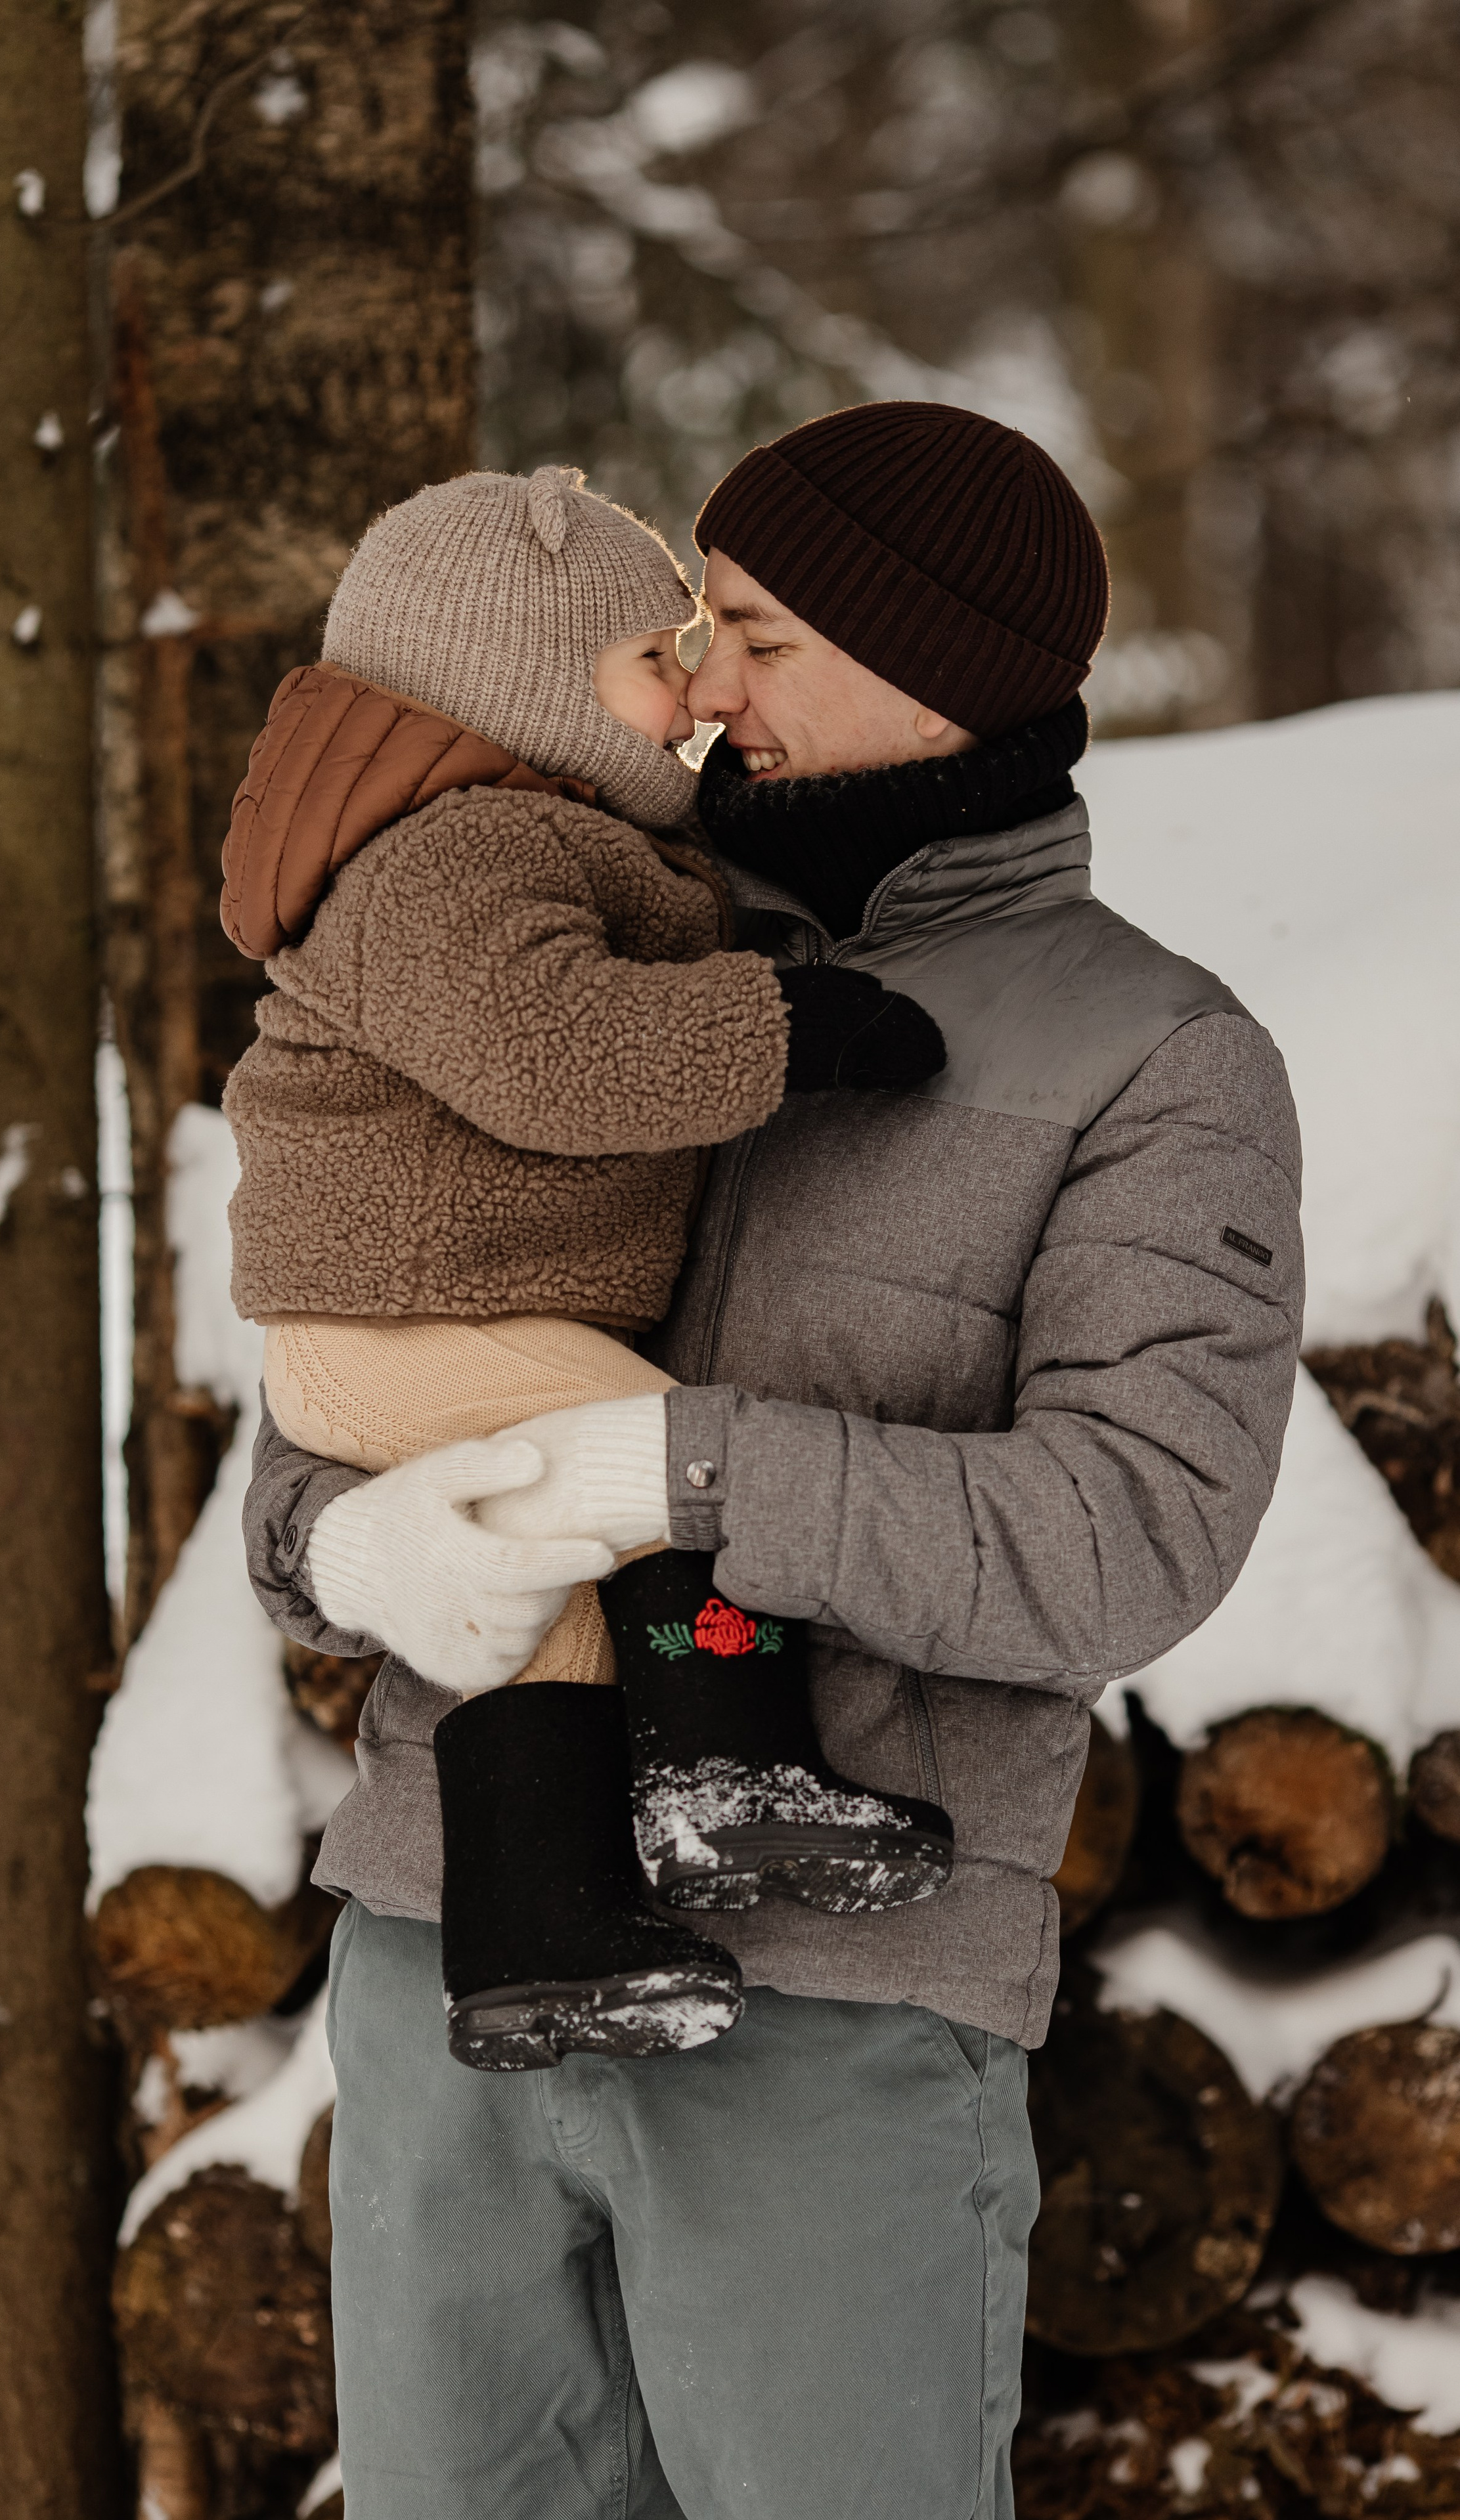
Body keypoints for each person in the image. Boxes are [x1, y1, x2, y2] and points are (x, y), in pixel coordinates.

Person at [243, 402, 1304, 2520]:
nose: (705, 689)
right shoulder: (544, 938)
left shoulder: (1153, 1059)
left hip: (837, 2019)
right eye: (692, 633)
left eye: (755, 633)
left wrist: (682, 1468)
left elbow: (1126, 1541)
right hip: (449, 1962)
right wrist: (345, 1553)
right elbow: (336, 1376)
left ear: (949, 669)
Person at [219, 463, 951, 2075]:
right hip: (403, 1314)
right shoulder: (454, 857)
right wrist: (781, 1027)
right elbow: (549, 1046)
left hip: (422, 1309)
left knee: (525, 1601)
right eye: (651, 656)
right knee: (666, 1459)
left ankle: (540, 1938)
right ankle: (722, 1775)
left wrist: (724, 958)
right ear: (520, 681)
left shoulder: (515, 845)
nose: (694, 689)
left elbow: (581, 984)